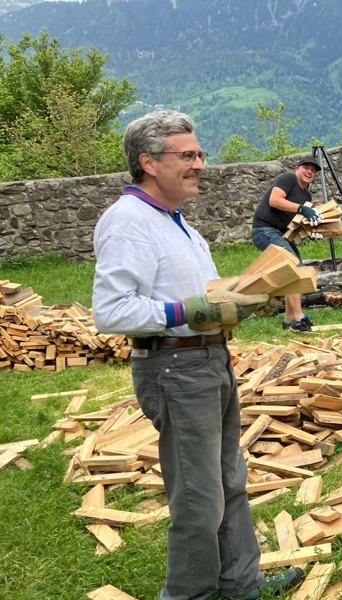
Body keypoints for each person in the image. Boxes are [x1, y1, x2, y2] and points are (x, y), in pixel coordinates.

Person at [92, 110, 304, 599]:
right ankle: (187, 594)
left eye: (200, 154)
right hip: (174, 367)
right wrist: (189, 309)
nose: (200, 164)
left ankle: (242, 584)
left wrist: (240, 303)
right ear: (148, 161)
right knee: (198, 497)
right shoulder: (127, 222)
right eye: (187, 156)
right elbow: (112, 311)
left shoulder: (175, 220)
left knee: (230, 478)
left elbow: (199, 299)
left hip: (208, 360)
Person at [251, 155, 324, 332]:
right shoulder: (287, 178)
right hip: (264, 230)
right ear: (296, 168)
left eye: (313, 170)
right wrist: (302, 208)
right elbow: (274, 201)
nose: (309, 172)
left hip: (281, 234)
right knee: (293, 267)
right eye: (306, 168)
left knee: (298, 269)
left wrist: (311, 232)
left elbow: (296, 223)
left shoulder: (307, 194)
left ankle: (289, 320)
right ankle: (299, 319)